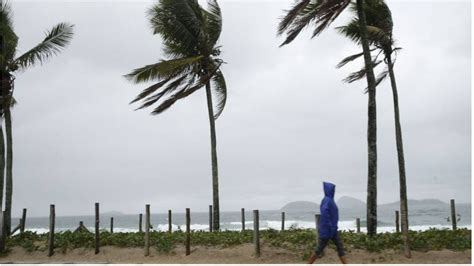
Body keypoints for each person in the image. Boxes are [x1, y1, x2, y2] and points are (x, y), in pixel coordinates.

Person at [308, 182, 348, 264]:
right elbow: (325, 213)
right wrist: (329, 227)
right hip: (328, 229)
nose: (334, 191)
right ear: (329, 190)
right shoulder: (327, 200)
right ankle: (308, 264)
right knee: (319, 249)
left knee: (340, 247)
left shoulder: (329, 200)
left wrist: (333, 227)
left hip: (333, 229)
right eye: (333, 189)